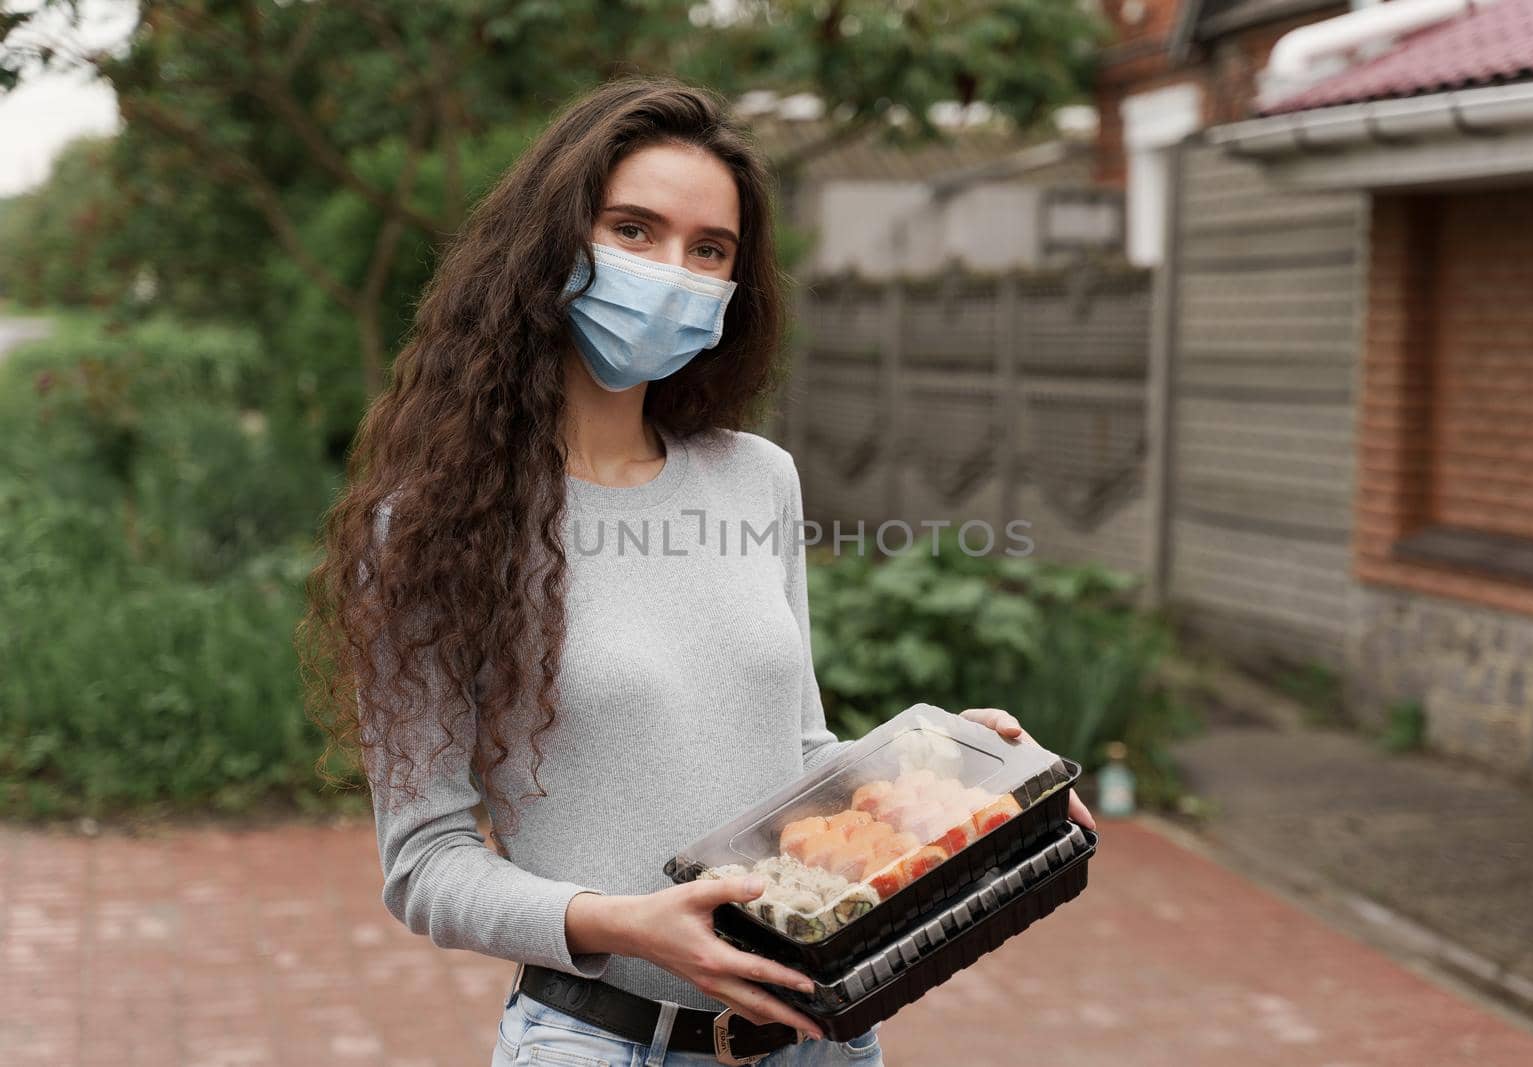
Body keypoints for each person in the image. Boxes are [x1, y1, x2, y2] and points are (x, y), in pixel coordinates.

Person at [301, 75, 1095, 1067]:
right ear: (549, 247)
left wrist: (948, 786)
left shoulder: (756, 479)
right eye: (633, 230)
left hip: (823, 1039)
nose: (672, 270)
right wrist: (624, 921)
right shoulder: (427, 531)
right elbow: (424, 863)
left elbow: (798, 758)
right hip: (600, 1042)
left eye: (708, 249)